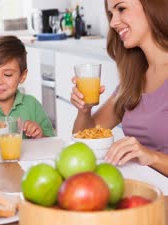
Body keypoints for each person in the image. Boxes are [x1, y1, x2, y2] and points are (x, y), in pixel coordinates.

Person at [71, 0, 168, 176]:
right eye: (111, 14)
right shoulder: (134, 79)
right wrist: (84, 110)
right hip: (140, 190)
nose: (113, 23)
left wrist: (151, 157)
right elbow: (83, 140)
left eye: (121, 9)